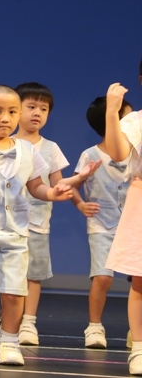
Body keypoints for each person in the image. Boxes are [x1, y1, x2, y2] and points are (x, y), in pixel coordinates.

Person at [0, 85, 97, 366]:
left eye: (12, 112)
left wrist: (54, 193)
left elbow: (37, 187)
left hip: (16, 232)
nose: (5, 118)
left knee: (15, 292)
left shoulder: (27, 150)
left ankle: (10, 341)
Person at [70, 96, 133, 348]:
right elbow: (73, 184)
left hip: (132, 225)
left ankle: (136, 331)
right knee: (103, 277)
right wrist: (80, 204)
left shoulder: (135, 153)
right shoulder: (90, 155)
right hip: (101, 225)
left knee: (138, 280)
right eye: (127, 117)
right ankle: (94, 326)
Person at [12, 83, 70, 346]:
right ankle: (6, 319)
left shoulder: (51, 148)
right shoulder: (5, 143)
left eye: (43, 109)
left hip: (36, 224)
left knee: (33, 275)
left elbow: (58, 183)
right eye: (31, 106)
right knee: (5, 274)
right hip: (5, 223)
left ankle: (28, 322)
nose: (37, 113)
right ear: (16, 110)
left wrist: (77, 181)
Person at [104, 70, 142, 375]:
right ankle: (140, 349)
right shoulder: (136, 121)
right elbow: (118, 153)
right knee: (141, 280)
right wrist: (112, 112)